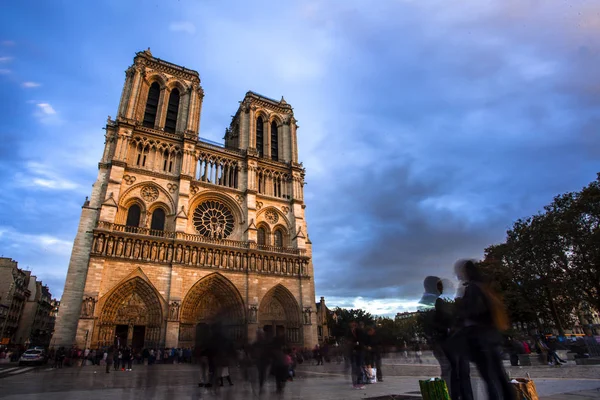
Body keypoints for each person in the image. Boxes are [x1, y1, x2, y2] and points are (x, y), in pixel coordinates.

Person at [455, 259, 515, 400]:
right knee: (499, 375)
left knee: (489, 378)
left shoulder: (472, 289)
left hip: (480, 339)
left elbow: (473, 312)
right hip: (492, 336)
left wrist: (460, 312)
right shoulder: (485, 287)